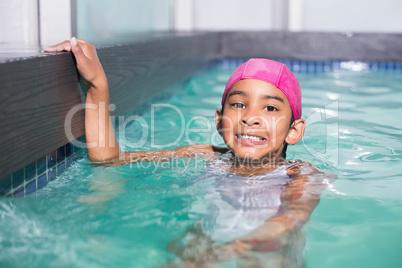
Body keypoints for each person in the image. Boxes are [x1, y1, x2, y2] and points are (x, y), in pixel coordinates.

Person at [45, 38, 335, 267]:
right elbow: (108, 162)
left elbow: (290, 219)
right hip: (208, 243)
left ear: (294, 131)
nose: (251, 117)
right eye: (238, 104)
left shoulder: (299, 175)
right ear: (220, 121)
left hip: (269, 249)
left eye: (270, 108)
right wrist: (98, 86)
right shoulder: (206, 155)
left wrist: (234, 246)